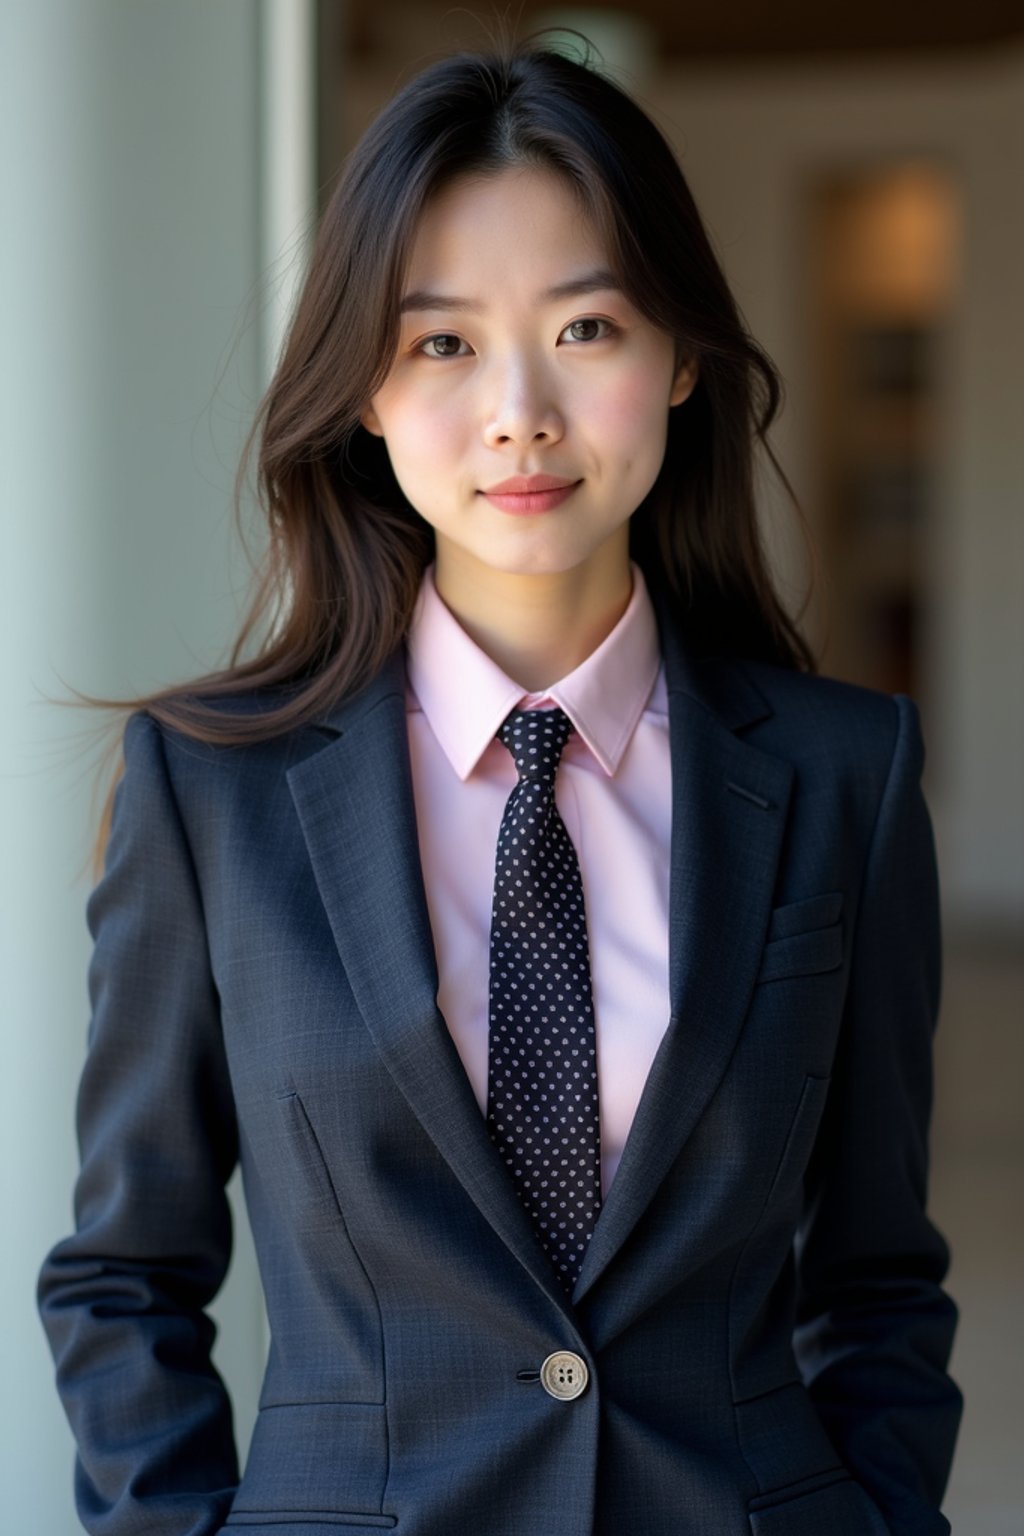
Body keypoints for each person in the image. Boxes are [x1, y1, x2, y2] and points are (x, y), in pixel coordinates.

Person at [38, 37, 962, 1536]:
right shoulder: (214, 795)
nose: (520, 410)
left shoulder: (845, 781)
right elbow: (124, 1276)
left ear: (679, 359)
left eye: (586, 327)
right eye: (443, 343)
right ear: (364, 396)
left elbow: (876, 1280)